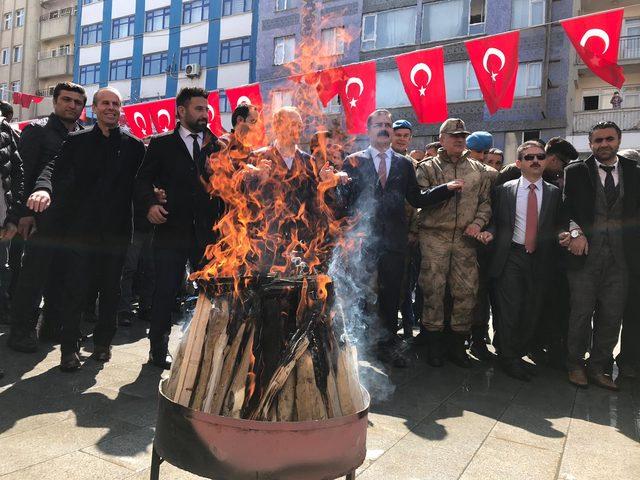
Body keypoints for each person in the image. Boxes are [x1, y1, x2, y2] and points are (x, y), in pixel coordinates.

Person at [31, 87, 146, 371]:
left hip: (117, 233)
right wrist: (43, 190)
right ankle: (69, 350)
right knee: (76, 291)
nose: (111, 108)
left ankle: (103, 344)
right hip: (80, 233)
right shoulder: (77, 141)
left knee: (110, 292)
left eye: (116, 104)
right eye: (105, 103)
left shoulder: (134, 146)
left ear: (121, 109)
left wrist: (155, 198)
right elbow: (52, 170)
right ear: (94, 109)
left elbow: (143, 183)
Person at [339, 110, 463, 367]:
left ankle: (386, 345)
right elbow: (343, 204)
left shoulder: (404, 164)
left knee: (390, 296)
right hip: (363, 241)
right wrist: (331, 186)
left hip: (394, 243)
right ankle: (360, 346)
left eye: (387, 125)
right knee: (361, 293)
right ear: (369, 129)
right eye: (379, 125)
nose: (384, 129)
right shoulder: (353, 161)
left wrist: (444, 190)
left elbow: (416, 198)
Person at [135, 87, 223, 370]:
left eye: (206, 109)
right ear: (181, 111)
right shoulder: (161, 145)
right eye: (198, 109)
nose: (204, 114)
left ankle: (206, 347)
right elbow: (141, 181)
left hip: (208, 236)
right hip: (171, 231)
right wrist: (150, 204)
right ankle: (158, 350)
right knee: (165, 291)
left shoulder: (217, 146)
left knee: (211, 293)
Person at [478, 141, 567, 380]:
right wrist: (490, 232)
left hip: (541, 258)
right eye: (529, 158)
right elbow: (495, 221)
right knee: (510, 309)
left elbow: (559, 224)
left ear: (546, 160)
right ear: (519, 163)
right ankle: (508, 357)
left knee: (532, 308)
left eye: (540, 156)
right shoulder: (504, 190)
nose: (536, 161)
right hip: (511, 256)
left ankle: (516, 353)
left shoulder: (555, 192)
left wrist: (564, 235)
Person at [7, 82, 86, 352]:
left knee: (62, 276)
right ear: (55, 102)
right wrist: (25, 214)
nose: (72, 105)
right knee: (33, 276)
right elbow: (24, 175)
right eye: (67, 100)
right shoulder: (38, 131)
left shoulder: (82, 135)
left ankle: (51, 327)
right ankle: (20, 332)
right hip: (39, 217)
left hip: (71, 219)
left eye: (77, 102)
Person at [563, 121, 640, 390]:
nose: (603, 144)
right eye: (598, 140)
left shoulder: (634, 171)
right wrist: (574, 231)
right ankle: (575, 364)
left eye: (609, 139)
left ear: (618, 141)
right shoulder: (575, 171)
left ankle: (599, 367)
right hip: (584, 258)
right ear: (590, 143)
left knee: (612, 316)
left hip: (622, 260)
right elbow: (565, 210)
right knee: (580, 314)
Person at [416, 118, 492, 368]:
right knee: (433, 290)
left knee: (466, 292)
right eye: (454, 135)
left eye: (463, 135)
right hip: (434, 237)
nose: (460, 139)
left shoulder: (478, 170)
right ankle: (434, 345)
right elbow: (417, 201)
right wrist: (444, 190)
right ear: (442, 139)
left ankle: (458, 345)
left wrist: (478, 224)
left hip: (465, 239)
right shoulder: (428, 168)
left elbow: (485, 202)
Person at [0, 111, 24, 328]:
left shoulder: (5, 130)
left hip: (2, 217)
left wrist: (13, 216)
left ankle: (3, 308)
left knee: (3, 267)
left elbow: (18, 174)